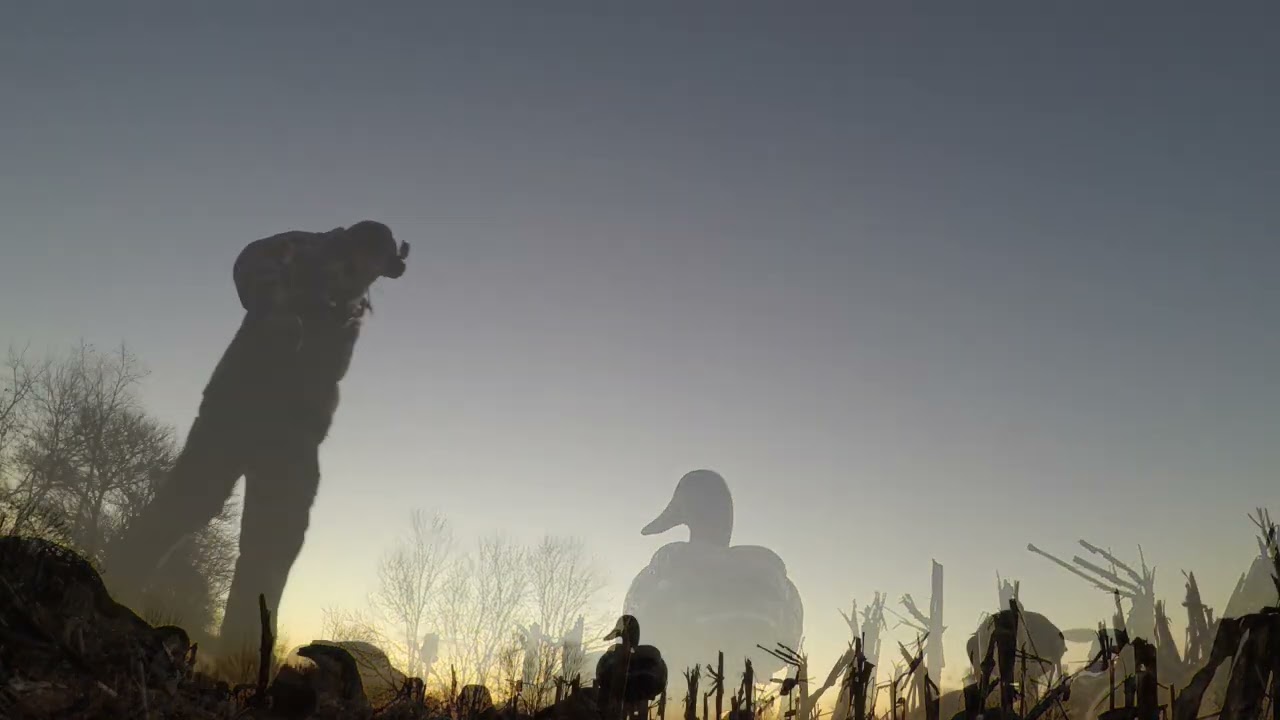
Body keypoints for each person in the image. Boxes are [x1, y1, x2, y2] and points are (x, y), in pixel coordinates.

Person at [103, 220, 408, 653]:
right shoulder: (311, 251)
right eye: (373, 264)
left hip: (295, 431)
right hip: (240, 406)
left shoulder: (354, 297)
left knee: (276, 538)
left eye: (380, 271)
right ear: (358, 249)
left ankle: (241, 662)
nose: (373, 276)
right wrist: (276, 309)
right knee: (187, 502)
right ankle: (105, 597)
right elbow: (253, 258)